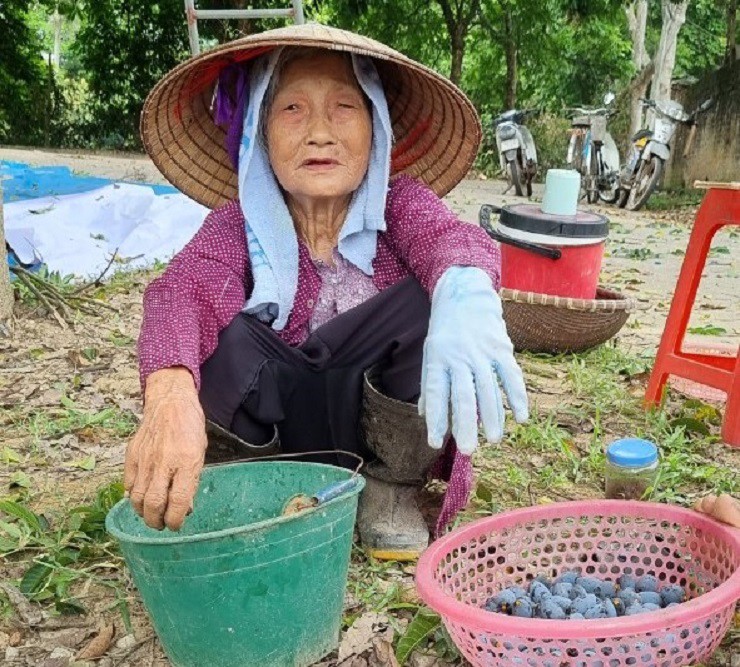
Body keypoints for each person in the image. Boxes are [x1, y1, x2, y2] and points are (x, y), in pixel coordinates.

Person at [124, 23, 530, 559]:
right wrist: (169, 391)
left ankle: (388, 492)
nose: (320, 131)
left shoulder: (398, 204)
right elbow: (180, 292)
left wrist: (464, 289)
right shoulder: (237, 227)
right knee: (220, 334)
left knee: (428, 300)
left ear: (375, 127)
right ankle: (254, 495)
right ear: (262, 132)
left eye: (344, 107)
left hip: (374, 435)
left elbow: (450, 241)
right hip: (274, 443)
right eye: (292, 109)